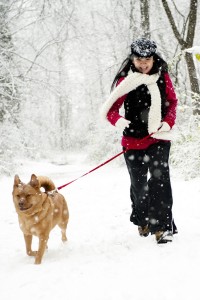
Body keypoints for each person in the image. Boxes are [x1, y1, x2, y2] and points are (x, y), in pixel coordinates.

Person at [101, 37, 178, 244]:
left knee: (160, 181)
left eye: (147, 60)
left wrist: (168, 122)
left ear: (153, 59)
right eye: (139, 60)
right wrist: (119, 122)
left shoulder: (163, 77)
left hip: (158, 138)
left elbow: (172, 103)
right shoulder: (125, 81)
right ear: (132, 59)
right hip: (132, 141)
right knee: (139, 185)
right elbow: (110, 109)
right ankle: (143, 219)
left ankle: (162, 226)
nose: (144, 64)